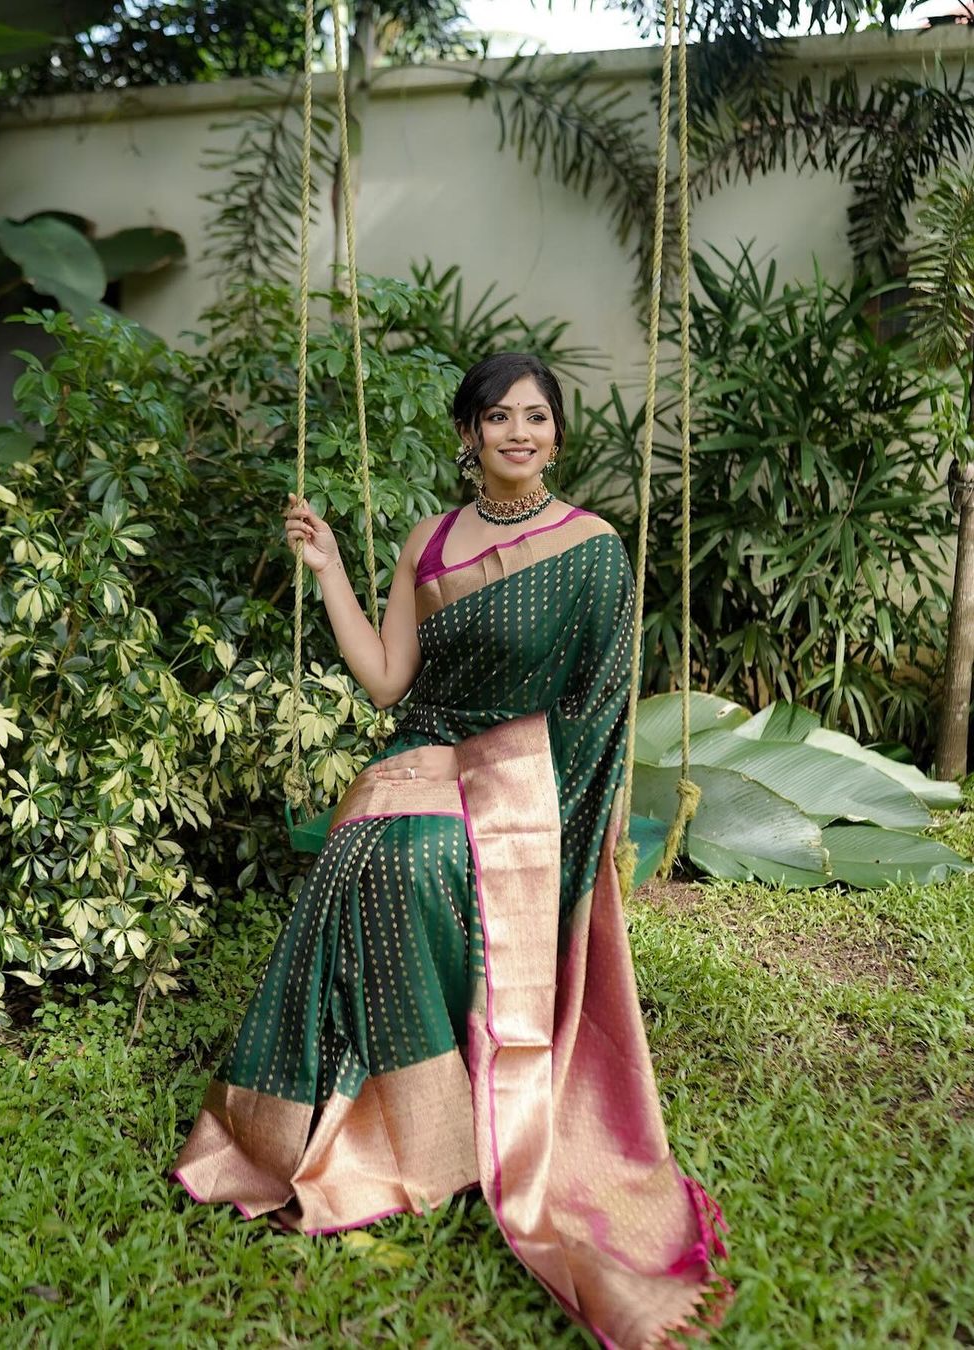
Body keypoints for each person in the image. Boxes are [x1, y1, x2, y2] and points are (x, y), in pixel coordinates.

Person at [169, 352, 732, 1347]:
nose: (519, 433)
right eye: (499, 417)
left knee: (420, 861)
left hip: (528, 771)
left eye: (536, 417)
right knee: (362, 855)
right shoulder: (428, 542)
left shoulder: (592, 547)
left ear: (557, 434)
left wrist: (574, 809)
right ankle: (351, 1117)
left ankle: (448, 1114)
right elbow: (390, 681)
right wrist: (328, 570)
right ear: (469, 434)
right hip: (424, 752)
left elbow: (600, 701)